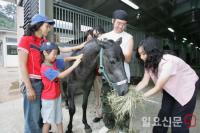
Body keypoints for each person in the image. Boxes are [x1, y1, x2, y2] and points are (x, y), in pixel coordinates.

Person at [135, 36, 200, 133]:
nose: (141, 57)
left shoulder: (167, 62)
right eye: (140, 54)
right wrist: (133, 93)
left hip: (187, 86)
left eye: (143, 54)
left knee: (178, 121)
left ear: (152, 52)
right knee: (164, 112)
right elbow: (144, 81)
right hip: (170, 86)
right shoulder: (148, 63)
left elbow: (157, 88)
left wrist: (140, 97)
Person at [18, 14, 55, 133]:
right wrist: (29, 88)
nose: (49, 29)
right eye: (47, 26)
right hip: (33, 84)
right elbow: (22, 65)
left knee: (42, 116)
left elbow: (55, 53)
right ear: (38, 26)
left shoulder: (44, 42)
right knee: (32, 119)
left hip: (44, 83)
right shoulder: (26, 40)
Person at [98, 9, 134, 132]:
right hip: (107, 78)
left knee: (123, 105)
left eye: (124, 24)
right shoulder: (103, 37)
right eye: (118, 23)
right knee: (106, 103)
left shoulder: (128, 37)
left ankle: (123, 128)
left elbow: (128, 58)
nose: (121, 26)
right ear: (113, 21)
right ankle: (109, 125)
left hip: (122, 78)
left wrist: (112, 50)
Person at [40, 42, 83, 133]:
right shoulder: (44, 68)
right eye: (54, 54)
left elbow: (65, 59)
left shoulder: (54, 62)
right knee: (47, 122)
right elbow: (61, 75)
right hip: (48, 100)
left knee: (59, 119)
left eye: (56, 54)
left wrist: (76, 57)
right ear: (45, 53)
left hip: (57, 96)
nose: (55, 56)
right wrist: (74, 65)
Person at [92, 26, 105, 123]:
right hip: (99, 74)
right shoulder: (101, 42)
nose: (94, 36)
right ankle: (99, 113)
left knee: (100, 94)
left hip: (101, 73)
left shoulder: (102, 42)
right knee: (98, 94)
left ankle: (101, 114)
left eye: (95, 34)